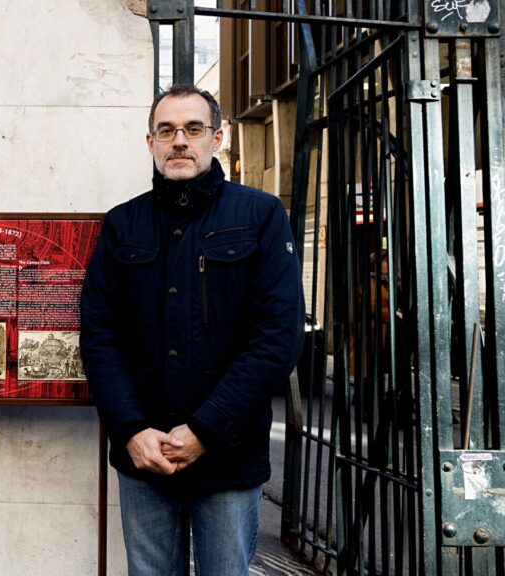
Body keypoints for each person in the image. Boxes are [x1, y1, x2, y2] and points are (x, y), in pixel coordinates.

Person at [80, 85, 304, 575]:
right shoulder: (122, 224)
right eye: (167, 130)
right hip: (144, 456)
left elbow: (279, 336)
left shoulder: (261, 215)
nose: (179, 140)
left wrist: (204, 429)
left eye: (193, 129)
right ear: (150, 142)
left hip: (228, 455)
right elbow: (99, 335)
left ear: (217, 137)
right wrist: (131, 428)